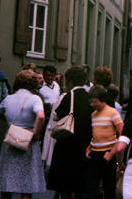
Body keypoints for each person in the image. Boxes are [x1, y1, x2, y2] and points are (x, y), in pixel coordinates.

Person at [0, 70, 46, 198]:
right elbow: (41, 116)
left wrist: (8, 122)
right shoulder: (34, 99)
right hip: (27, 140)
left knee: (7, 179)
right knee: (27, 182)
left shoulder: (8, 98)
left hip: (11, 138)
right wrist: (36, 133)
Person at [48, 66, 93, 199]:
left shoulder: (69, 96)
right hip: (84, 143)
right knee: (78, 182)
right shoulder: (89, 96)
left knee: (66, 183)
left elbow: (57, 115)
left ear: (70, 81)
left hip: (68, 142)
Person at [84, 85, 123, 199]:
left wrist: (111, 154)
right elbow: (96, 134)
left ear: (103, 99)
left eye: (95, 101)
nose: (92, 104)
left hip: (108, 154)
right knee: (90, 187)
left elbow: (122, 135)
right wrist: (89, 147)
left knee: (109, 187)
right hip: (95, 153)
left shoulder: (113, 113)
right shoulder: (93, 114)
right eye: (90, 102)